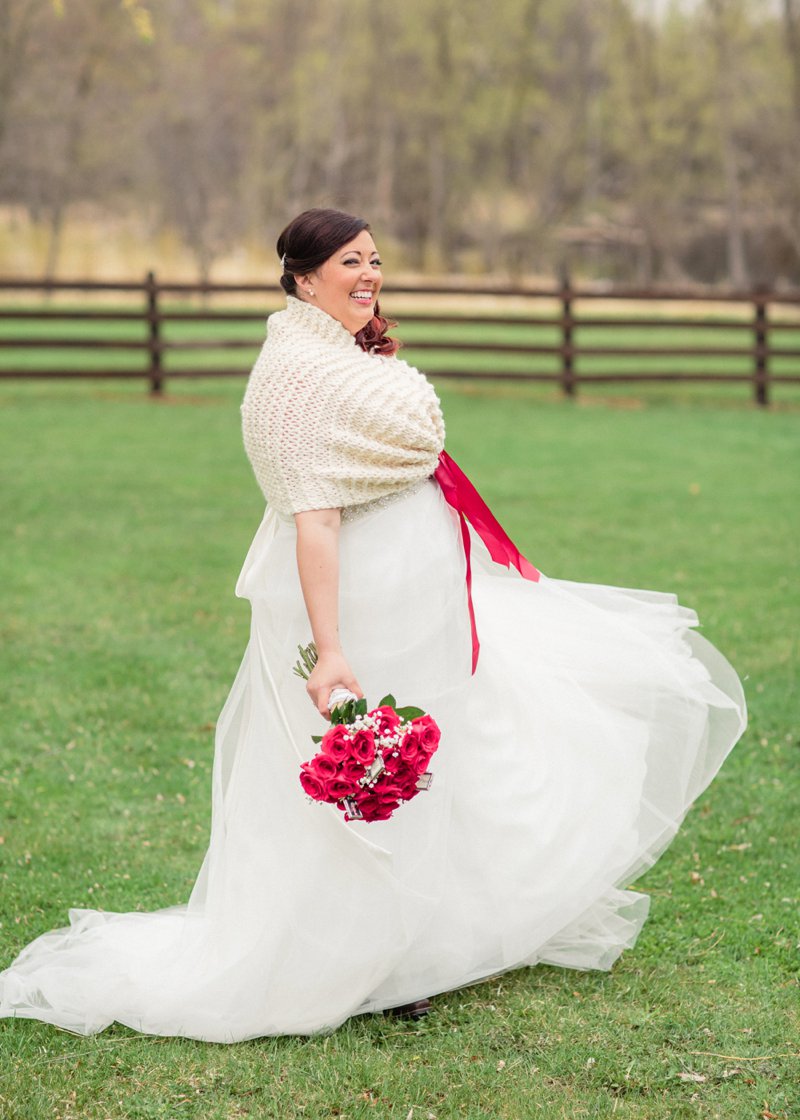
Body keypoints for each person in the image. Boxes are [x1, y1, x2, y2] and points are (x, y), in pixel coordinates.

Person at [0, 208, 746, 1042]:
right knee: (372, 778)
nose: (369, 274)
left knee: (445, 750)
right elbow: (313, 520)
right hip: (359, 607)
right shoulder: (292, 375)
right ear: (303, 276)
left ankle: (430, 938)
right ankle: (368, 959)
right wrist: (331, 650)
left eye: (376, 260)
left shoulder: (336, 350)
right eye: (350, 261)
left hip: (418, 593)